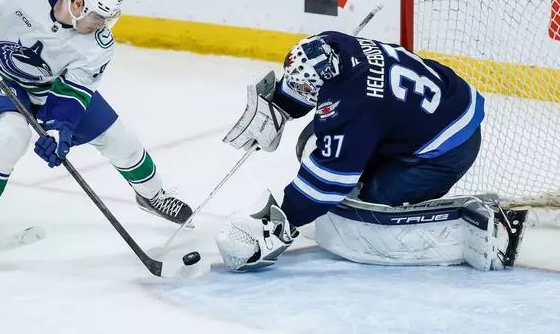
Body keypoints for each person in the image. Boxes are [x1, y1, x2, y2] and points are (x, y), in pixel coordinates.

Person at [0, 0, 193, 270]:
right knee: (11, 135)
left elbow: (72, 93)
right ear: (78, 2)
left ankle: (152, 194)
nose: (102, 25)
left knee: (120, 138)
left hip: (51, 89)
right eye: (98, 16)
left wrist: (59, 129)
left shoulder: (98, 44)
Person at [215, 31, 527, 272]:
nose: (304, 93)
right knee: (313, 141)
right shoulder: (332, 43)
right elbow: (311, 80)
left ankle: (477, 223)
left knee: (374, 196)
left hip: (447, 148)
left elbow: (330, 182)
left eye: (305, 90)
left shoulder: (355, 106)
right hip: (434, 106)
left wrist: (287, 219)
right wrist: (282, 104)